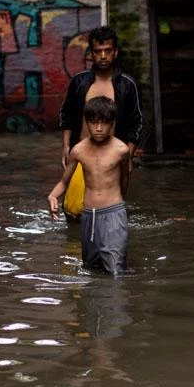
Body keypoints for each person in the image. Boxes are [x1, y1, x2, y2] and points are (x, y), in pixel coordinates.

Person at [58, 26, 142, 218]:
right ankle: (74, 246)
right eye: (98, 51)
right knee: (73, 211)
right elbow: (67, 114)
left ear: (115, 52)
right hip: (82, 154)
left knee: (112, 212)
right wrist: (65, 146)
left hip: (113, 158)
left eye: (108, 51)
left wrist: (128, 156)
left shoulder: (127, 84)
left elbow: (137, 122)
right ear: (91, 53)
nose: (103, 56)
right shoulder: (79, 82)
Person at [48, 97, 131, 275]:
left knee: (115, 270)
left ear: (112, 124)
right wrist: (53, 196)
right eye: (93, 123)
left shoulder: (121, 150)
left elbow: (125, 178)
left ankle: (117, 302)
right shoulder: (78, 150)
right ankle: (93, 303)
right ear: (86, 123)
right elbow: (64, 181)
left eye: (104, 123)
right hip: (88, 216)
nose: (99, 128)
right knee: (90, 269)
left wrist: (120, 207)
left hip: (113, 214)